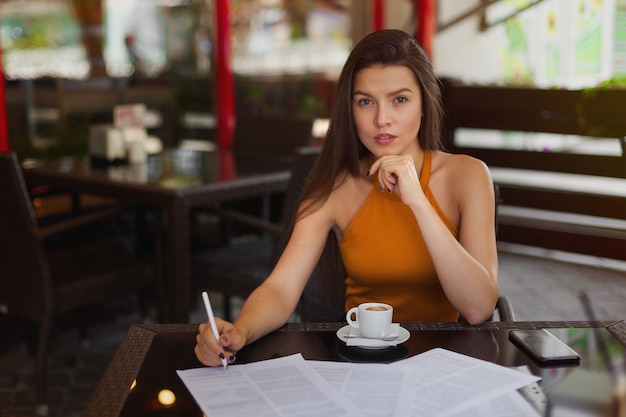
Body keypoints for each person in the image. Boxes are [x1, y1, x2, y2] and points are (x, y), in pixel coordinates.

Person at [195, 29, 498, 367]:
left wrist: (417, 201)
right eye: (365, 101)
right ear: (350, 110)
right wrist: (240, 331)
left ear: (424, 104)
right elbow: (281, 289)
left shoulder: (468, 176)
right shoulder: (335, 186)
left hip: (446, 364)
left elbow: (478, 308)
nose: (381, 119)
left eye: (399, 99)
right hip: (360, 365)